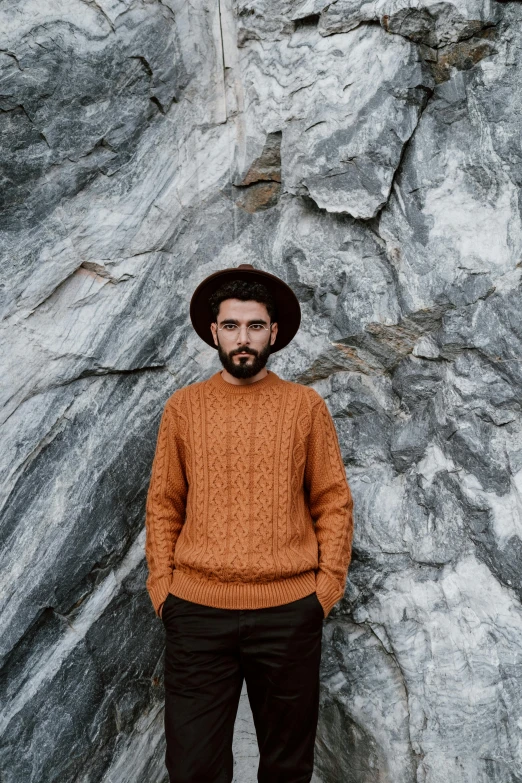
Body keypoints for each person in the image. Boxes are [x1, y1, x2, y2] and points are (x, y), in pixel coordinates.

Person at [145, 263, 354, 783]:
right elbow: (163, 504)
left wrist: (324, 591)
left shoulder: (304, 407)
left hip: (288, 614)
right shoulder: (184, 408)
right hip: (195, 613)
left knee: (287, 767)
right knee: (193, 768)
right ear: (213, 332)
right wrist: (162, 589)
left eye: (255, 326)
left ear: (274, 334)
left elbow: (333, 500)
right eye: (233, 326)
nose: (244, 338)